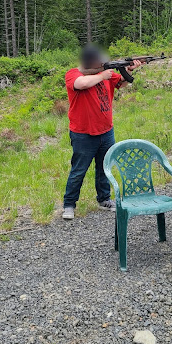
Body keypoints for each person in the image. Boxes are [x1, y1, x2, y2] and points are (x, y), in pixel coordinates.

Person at [62, 45, 141, 220]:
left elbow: (122, 84)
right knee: (78, 170)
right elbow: (81, 84)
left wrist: (128, 70)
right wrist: (102, 75)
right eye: (99, 62)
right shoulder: (73, 74)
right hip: (83, 133)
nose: (102, 64)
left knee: (104, 168)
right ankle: (69, 204)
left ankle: (104, 199)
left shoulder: (106, 73)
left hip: (106, 131)